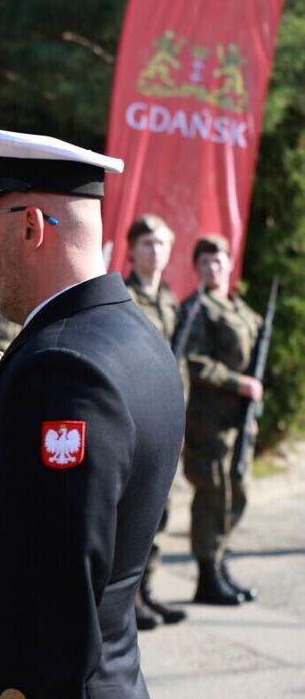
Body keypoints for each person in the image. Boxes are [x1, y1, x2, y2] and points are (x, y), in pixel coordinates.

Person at [0, 122, 185, 699]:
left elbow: (46, 601)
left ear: (31, 228)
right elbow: (16, 423)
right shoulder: (112, 333)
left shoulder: (64, 366)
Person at [181, 234, 263, 606]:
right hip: (207, 419)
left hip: (236, 419)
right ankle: (207, 575)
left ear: (230, 264)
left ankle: (221, 561)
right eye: (205, 263)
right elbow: (194, 361)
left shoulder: (240, 309)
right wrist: (238, 383)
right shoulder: (197, 308)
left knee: (237, 490)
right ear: (197, 268)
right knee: (212, 493)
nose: (213, 268)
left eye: (218, 261)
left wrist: (252, 410)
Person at [123, 214, 188, 627]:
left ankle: (146, 590)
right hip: (136, 418)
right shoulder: (123, 298)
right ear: (131, 250)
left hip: (167, 419)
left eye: (162, 243)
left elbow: (178, 368)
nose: (155, 251)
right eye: (147, 243)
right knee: (132, 513)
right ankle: (125, 602)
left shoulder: (170, 301)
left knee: (160, 510)